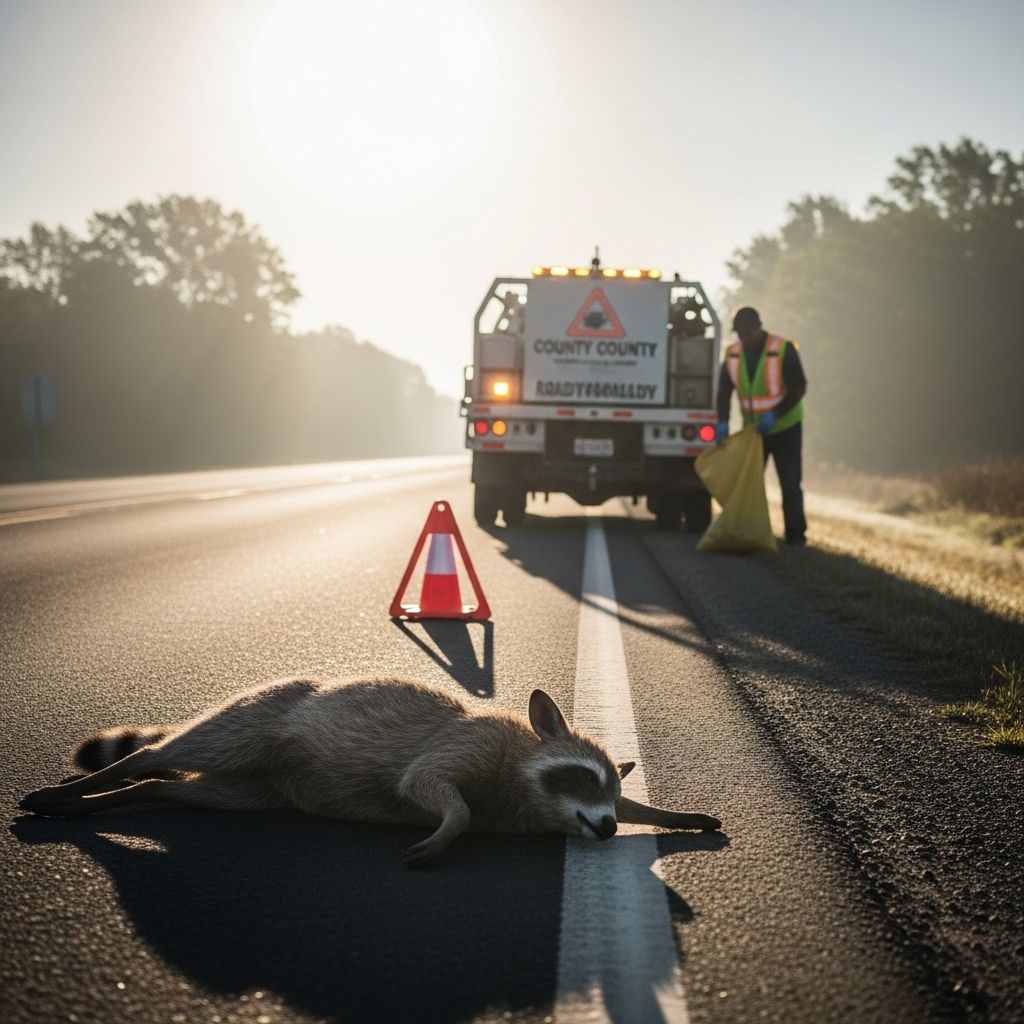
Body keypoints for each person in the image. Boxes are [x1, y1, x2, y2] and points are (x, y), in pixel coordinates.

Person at [715, 306, 808, 545]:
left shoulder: (783, 349)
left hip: (786, 427)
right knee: (749, 483)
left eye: (746, 334)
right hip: (754, 432)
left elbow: (799, 387)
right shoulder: (733, 354)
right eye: (739, 334)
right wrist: (722, 420)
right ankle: (749, 532)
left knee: (790, 483)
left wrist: (775, 414)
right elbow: (724, 391)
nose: (743, 339)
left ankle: (795, 537)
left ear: (758, 328)